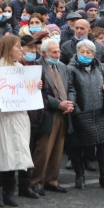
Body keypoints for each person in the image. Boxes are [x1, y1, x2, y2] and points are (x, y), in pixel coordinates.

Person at [0, 34, 37, 207]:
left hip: (18, 117)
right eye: (18, 46)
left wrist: (35, 87)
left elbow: (25, 92)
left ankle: (9, 193)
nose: (21, 50)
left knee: (15, 156)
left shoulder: (20, 67)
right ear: (8, 49)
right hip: (1, 118)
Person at [65, 39, 104, 190]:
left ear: (94, 55)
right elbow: (69, 89)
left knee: (103, 146)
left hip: (100, 112)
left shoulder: (100, 67)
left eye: (89, 52)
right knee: (78, 147)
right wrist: (75, 107)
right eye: (82, 52)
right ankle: (79, 176)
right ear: (77, 53)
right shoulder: (70, 69)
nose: (85, 55)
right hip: (81, 113)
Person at [30, 38, 73, 195]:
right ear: (44, 53)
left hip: (63, 113)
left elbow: (70, 87)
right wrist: (59, 104)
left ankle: (51, 180)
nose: (57, 55)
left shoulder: (62, 66)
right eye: (54, 52)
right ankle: (36, 181)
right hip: (47, 113)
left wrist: (70, 103)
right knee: (43, 149)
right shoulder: (36, 67)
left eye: (58, 51)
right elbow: (39, 93)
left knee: (58, 149)